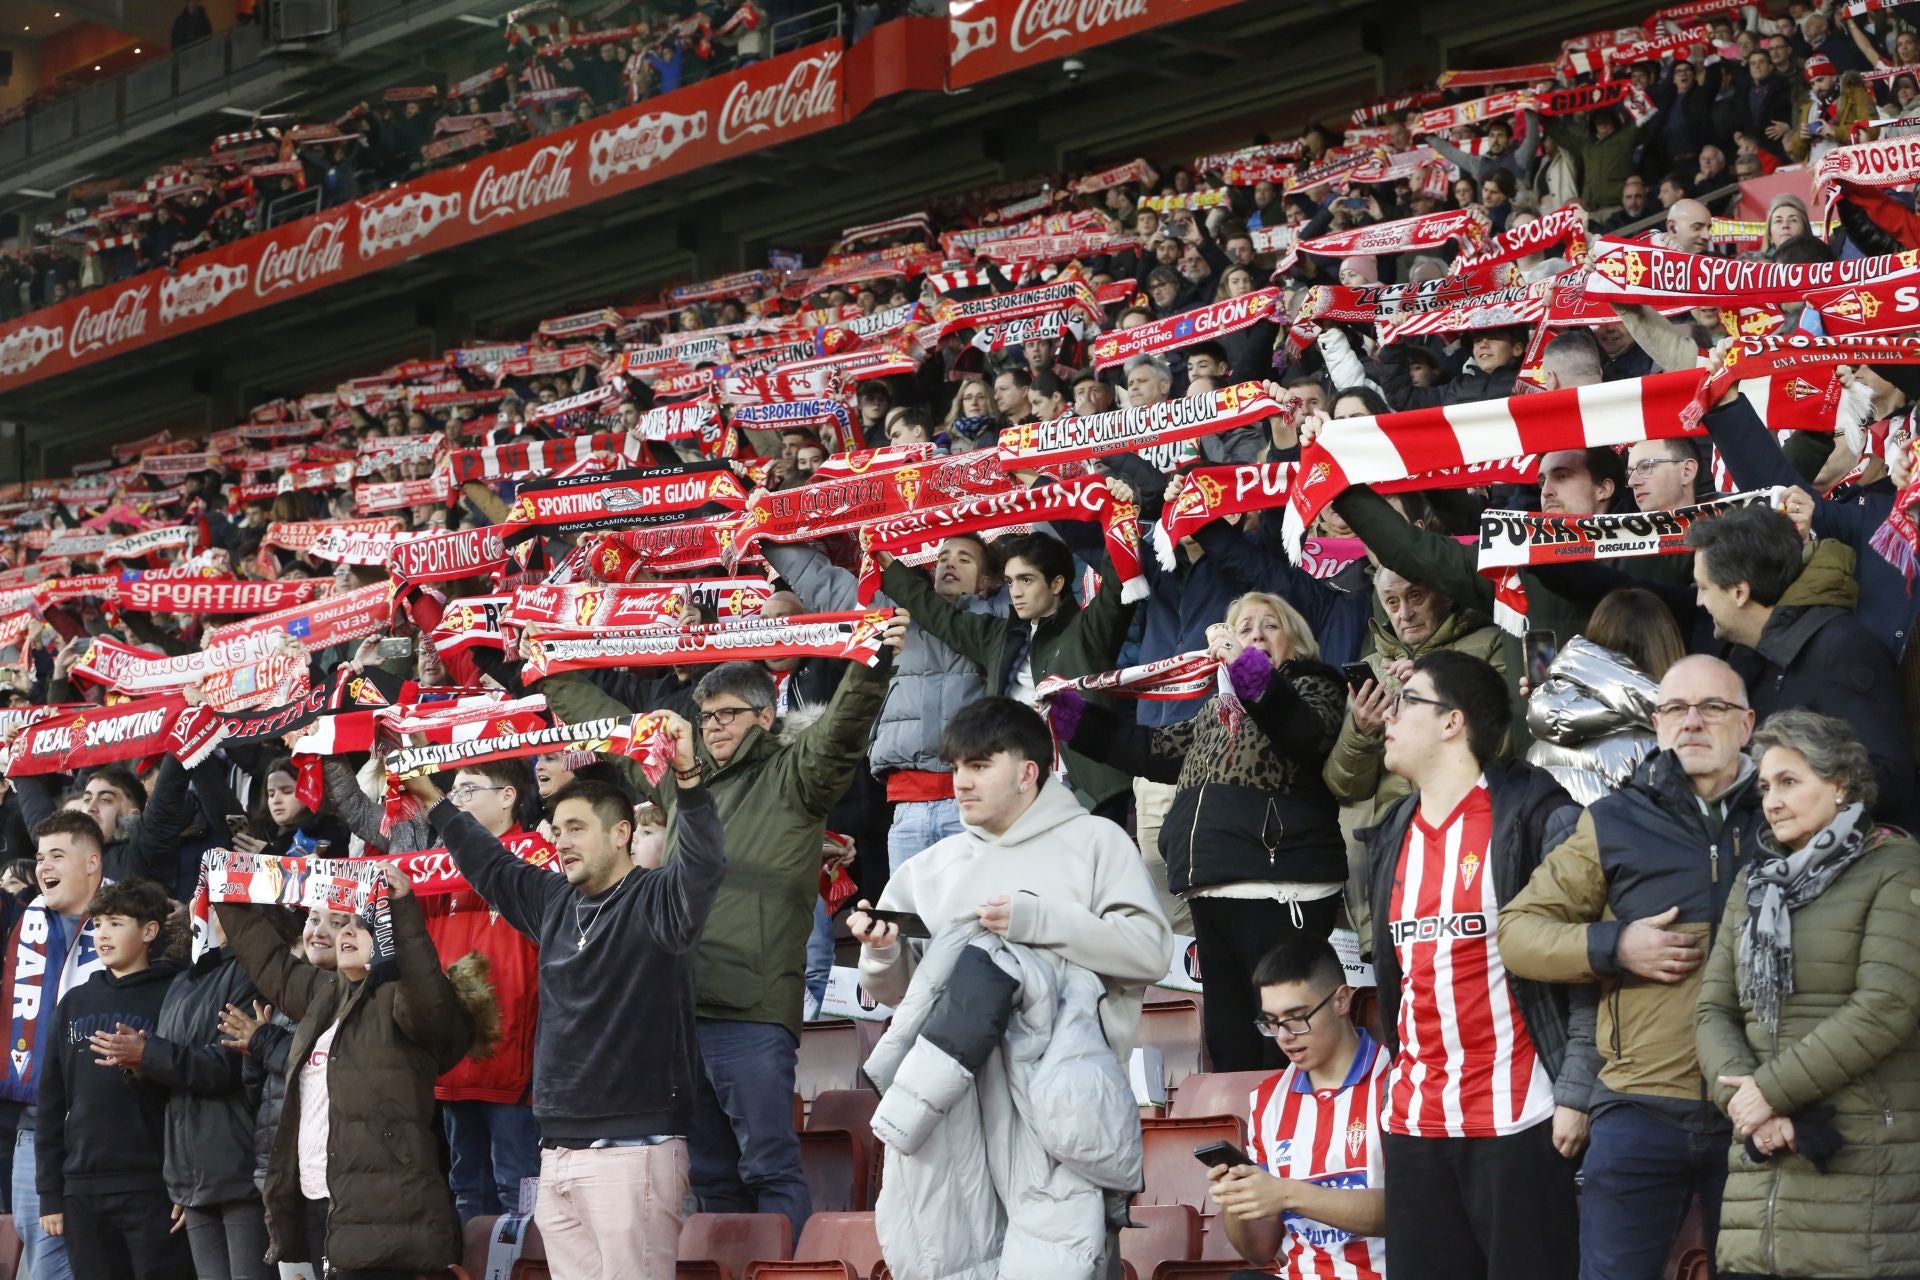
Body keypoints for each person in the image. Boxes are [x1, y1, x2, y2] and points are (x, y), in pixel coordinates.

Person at [540, 618, 906, 1242]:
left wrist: (874, 661)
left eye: (728, 714)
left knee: (769, 1165)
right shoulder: (682, 782)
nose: (713, 727)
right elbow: (613, 727)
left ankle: (785, 1268)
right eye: (705, 716)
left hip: (752, 1009)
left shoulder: (797, 774)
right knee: (708, 1174)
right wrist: (549, 667)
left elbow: (843, 730)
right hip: (682, 1010)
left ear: (765, 717)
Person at [402, 711, 726, 1280]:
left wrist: (689, 780)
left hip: (635, 1148)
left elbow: (703, 865)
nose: (559, 841)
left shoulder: (657, 900)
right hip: (557, 1150)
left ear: (621, 832)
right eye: (555, 829)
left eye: (576, 828)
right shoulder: (555, 902)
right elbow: (489, 863)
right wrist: (434, 799)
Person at [1500, 656, 1764, 1280]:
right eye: (1675, 709)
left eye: (1713, 708)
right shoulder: (1614, 819)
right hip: (1637, 1106)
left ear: (1748, 724)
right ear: (1656, 722)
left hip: (1758, 1104)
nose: (1692, 722)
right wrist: (1615, 947)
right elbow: (1519, 932)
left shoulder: (1787, 815)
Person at [1044, 593, 1349, 1071]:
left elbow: (1302, 730)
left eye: (1270, 626)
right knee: (1231, 1045)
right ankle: (1246, 1140)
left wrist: (1246, 667)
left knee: (1281, 1044)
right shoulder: (1218, 709)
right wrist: (1071, 716)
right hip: (1212, 887)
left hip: (1278, 886)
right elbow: (1151, 749)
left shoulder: (1316, 684)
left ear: (1298, 641)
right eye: (1243, 628)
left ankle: (1294, 1137)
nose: (1254, 637)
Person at [1363, 651, 1583, 1280]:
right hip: (1415, 1119)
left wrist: (1576, 1090)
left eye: (1407, 701)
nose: (1389, 716)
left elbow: (1583, 966)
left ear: (1452, 722)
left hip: (1518, 1116)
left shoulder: (1534, 818)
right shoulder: (1391, 832)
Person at [1696, 710, 1920, 1279]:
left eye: (1790, 782)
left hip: (1856, 1157)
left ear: (1840, 784)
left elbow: (1886, 1006)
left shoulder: (1894, 867)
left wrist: (1768, 1091)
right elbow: (1714, 1010)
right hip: (1759, 1164)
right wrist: (1749, 1109)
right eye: (1766, 786)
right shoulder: (1755, 882)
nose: (1771, 800)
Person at [849, 695, 1171, 1046]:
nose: (962, 783)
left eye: (979, 766)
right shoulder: (924, 869)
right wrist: (882, 953)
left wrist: (1038, 920)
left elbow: (1150, 956)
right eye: (957, 768)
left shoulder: (1098, 842)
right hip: (959, 1090)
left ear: (1027, 773)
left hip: (1074, 1087)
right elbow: (902, 995)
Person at [217, 865, 475, 1277]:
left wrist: (403, 910)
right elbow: (267, 960)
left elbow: (425, 988)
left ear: (386, 941)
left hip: (390, 1212)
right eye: (345, 925)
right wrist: (225, 889)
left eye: (363, 925)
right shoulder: (325, 995)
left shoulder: (403, 1002)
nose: (348, 933)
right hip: (320, 1201)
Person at [878, 523, 1138, 818]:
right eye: (1011, 581)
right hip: (1017, 795)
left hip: (1090, 795)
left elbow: (1118, 579)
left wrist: (1120, 520)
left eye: (1026, 580)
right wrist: (889, 567)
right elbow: (937, 614)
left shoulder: (1089, 630)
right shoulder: (997, 636)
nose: (1016, 592)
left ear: (1056, 584)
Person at [1686, 503, 1914, 818]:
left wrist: (1790, 788)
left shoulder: (1841, 650)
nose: (1698, 600)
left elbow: (1891, 780)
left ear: (1739, 592)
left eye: (1703, 588)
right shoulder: (1752, 658)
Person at [35, 877, 194, 1280]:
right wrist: (50, 1194)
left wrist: (186, 1184)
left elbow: (191, 1098)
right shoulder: (74, 1001)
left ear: (149, 931)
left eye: (116, 923)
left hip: (153, 1186)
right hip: (82, 1188)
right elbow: (52, 1102)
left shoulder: (174, 993)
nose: (102, 934)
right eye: (98, 923)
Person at [1206, 939, 1389, 1280]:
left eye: (1297, 1018)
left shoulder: (1398, 1081)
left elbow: (1411, 1210)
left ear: (1341, 1000)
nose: (1284, 1036)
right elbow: (1259, 1251)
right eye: (1271, 1022)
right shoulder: (1268, 1099)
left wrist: (1286, 1193)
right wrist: (1238, 1199)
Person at [7, 811, 111, 1280]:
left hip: (109, 1128)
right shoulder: (26, 922)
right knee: (43, 1254)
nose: (42, 866)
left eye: (56, 855)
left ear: (92, 863)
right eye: (39, 856)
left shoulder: (135, 921)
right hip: (38, 1127)